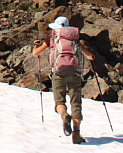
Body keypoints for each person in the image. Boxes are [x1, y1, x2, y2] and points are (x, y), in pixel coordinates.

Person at [32, 16, 94, 144]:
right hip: (75, 74)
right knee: (76, 104)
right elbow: (90, 56)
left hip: (58, 74)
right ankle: (76, 134)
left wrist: (35, 46)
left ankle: (64, 115)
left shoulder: (52, 39)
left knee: (59, 101)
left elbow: (36, 53)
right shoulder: (75, 39)